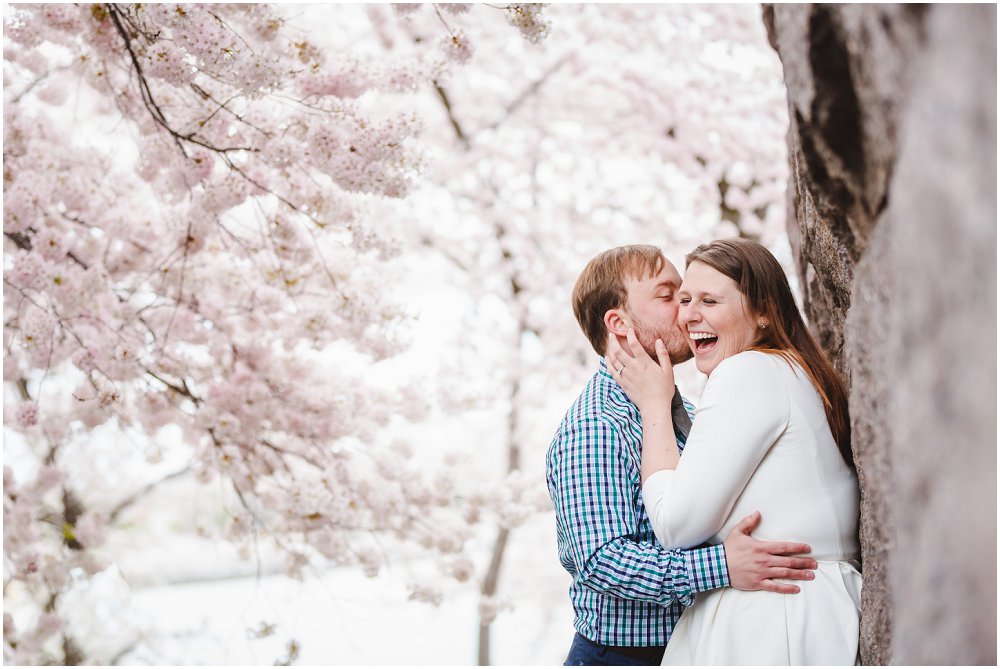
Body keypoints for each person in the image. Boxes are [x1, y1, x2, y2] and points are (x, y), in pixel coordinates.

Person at [547, 244, 820, 666]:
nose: (686, 310)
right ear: (619, 323)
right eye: (668, 295)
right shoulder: (597, 425)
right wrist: (722, 566)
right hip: (625, 657)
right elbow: (601, 560)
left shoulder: (685, 409)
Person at [606, 238, 862, 665]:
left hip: (773, 622)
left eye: (710, 300)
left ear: (763, 312)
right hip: (800, 608)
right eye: (684, 299)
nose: (689, 315)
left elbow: (675, 525)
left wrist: (654, 404)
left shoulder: (746, 371)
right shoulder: (793, 369)